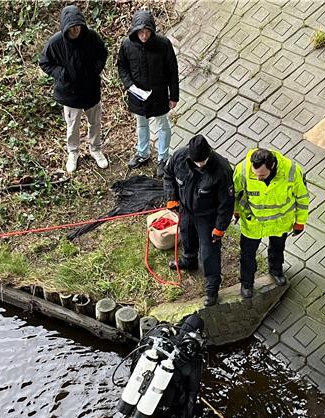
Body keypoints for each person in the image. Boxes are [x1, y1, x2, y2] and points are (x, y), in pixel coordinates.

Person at [163, 135, 234, 307]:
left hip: (207, 216)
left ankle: (212, 287)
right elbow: (168, 176)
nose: (200, 164)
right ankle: (189, 260)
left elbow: (226, 202)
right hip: (186, 209)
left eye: (203, 161)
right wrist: (172, 197)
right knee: (187, 235)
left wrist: (220, 227)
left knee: (209, 250)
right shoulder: (179, 157)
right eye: (197, 162)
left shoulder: (222, 169)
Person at [39, 5, 109, 174]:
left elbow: (103, 53)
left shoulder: (91, 37)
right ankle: (73, 152)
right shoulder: (56, 42)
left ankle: (96, 149)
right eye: (72, 28)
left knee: (95, 123)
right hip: (69, 93)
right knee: (72, 126)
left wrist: (95, 70)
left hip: (91, 90)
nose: (75, 30)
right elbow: (44, 62)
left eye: (78, 26)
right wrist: (62, 74)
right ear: (65, 27)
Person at [233, 148, 309, 298]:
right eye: (256, 175)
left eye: (262, 175)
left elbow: (302, 198)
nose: (259, 178)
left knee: (278, 248)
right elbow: (234, 193)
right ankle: (247, 283)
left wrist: (300, 222)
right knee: (247, 254)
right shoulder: (243, 170)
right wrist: (236, 210)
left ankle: (276, 271)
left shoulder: (291, 171)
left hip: (279, 222)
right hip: (253, 222)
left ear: (272, 166)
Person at [117, 9, 180, 178]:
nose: (144, 35)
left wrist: (173, 95)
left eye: (147, 32)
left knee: (163, 126)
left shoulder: (163, 44)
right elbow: (122, 67)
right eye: (140, 32)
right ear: (135, 31)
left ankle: (163, 158)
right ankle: (142, 153)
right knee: (141, 125)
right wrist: (129, 85)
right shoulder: (126, 45)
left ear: (152, 30)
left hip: (159, 95)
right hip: (137, 95)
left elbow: (172, 70)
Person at [134, 315, 206, 418]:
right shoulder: (193, 360)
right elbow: (191, 396)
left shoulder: (158, 338)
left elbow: (135, 363)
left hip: (141, 394)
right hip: (167, 404)